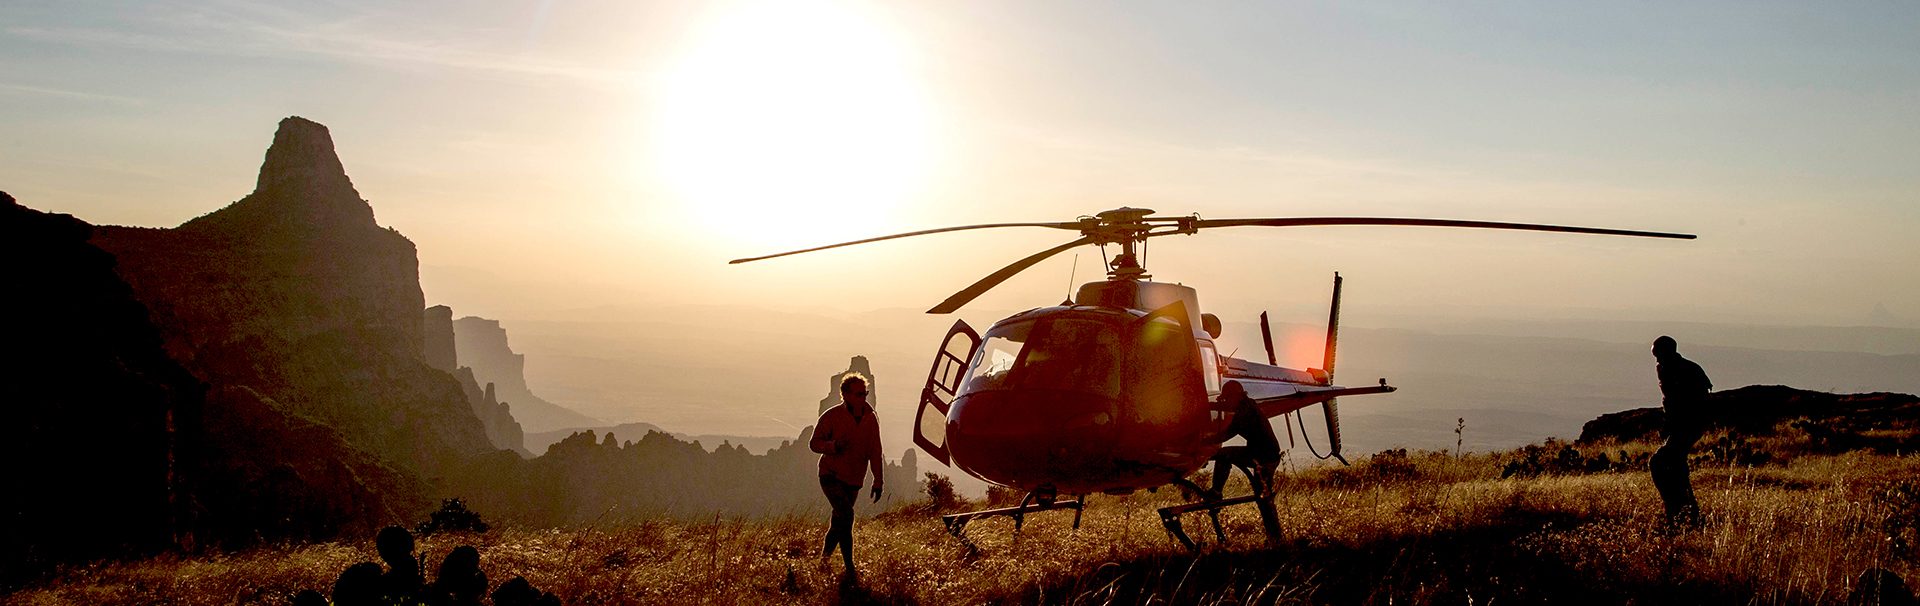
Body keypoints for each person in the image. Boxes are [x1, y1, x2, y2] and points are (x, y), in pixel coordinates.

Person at [809, 373, 884, 577]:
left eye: (865, 393)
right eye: (859, 394)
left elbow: (875, 451)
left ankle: (823, 561)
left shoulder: (871, 418)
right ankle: (850, 567)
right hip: (830, 475)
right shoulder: (831, 416)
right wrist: (833, 446)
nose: (864, 398)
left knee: (838, 521)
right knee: (847, 516)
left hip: (854, 479)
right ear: (845, 395)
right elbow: (814, 444)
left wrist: (878, 480)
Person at [1208, 382, 1284, 542]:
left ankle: (1216, 493)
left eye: (1227, 398)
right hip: (1266, 454)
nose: (1226, 402)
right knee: (1264, 497)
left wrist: (1205, 446)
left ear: (1235, 397)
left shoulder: (1245, 412)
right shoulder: (1248, 405)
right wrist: (1211, 405)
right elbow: (1228, 407)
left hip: (1262, 457)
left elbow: (1226, 434)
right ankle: (1275, 538)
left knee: (1224, 455)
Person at [1650, 335, 1712, 527]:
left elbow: (1697, 403)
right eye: (1656, 356)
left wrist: (1677, 423)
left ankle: (1681, 510)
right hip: (1677, 425)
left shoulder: (1689, 370)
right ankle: (1682, 511)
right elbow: (1669, 399)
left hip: (1690, 424)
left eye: (1659, 355)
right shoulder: (1663, 368)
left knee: (1660, 462)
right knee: (1673, 465)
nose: (1658, 360)